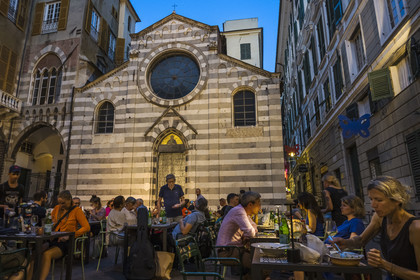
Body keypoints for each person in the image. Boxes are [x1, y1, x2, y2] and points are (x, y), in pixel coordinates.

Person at [334, 176, 420, 280]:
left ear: (397, 200)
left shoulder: (415, 228)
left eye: (379, 200)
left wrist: (384, 264)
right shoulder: (379, 218)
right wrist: (346, 242)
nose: (373, 205)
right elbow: (361, 240)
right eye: (371, 199)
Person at [29, 190, 90, 280]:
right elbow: (50, 223)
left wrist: (71, 235)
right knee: (34, 253)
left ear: (70, 200)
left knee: (47, 254)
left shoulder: (77, 211)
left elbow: (86, 227)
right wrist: (44, 229)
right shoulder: (56, 209)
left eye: (63, 203)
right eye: (59, 203)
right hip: (53, 239)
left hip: (66, 242)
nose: (61, 205)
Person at [216, 191, 260, 276]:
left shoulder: (243, 212)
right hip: (227, 253)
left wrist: (249, 233)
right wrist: (248, 234)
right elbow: (251, 232)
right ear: (250, 205)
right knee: (258, 261)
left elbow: (254, 227)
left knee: (259, 259)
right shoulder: (239, 211)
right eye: (258, 203)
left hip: (235, 249)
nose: (260, 206)